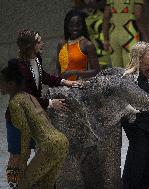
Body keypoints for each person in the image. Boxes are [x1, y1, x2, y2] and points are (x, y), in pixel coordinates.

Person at [5, 29, 78, 188]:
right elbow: (26, 95)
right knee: (16, 156)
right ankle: (14, 185)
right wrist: (51, 103)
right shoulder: (18, 66)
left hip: (33, 117)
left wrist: (63, 81)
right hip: (18, 117)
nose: (43, 43)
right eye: (39, 41)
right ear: (31, 45)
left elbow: (43, 76)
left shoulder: (37, 58)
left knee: (31, 151)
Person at [1, 64, 69, 189]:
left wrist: (23, 160)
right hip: (62, 141)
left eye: (1, 82)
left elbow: (25, 133)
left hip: (49, 145)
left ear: (11, 84)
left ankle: (13, 186)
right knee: (46, 184)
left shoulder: (15, 103)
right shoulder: (30, 97)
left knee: (23, 185)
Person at [121, 41, 149, 189]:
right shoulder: (128, 77)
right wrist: (145, 108)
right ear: (140, 57)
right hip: (135, 122)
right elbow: (125, 104)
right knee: (139, 153)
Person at [103, 0, 149, 68]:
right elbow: (138, 16)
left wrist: (105, 39)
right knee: (131, 70)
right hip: (130, 36)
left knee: (117, 70)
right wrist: (146, 36)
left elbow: (106, 17)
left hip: (113, 35)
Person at [57, 9, 101, 81]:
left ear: (83, 26)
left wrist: (74, 72)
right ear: (67, 26)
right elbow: (58, 67)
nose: (75, 28)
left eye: (78, 25)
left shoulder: (87, 45)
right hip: (63, 87)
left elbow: (96, 71)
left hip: (80, 86)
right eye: (71, 25)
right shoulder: (62, 44)